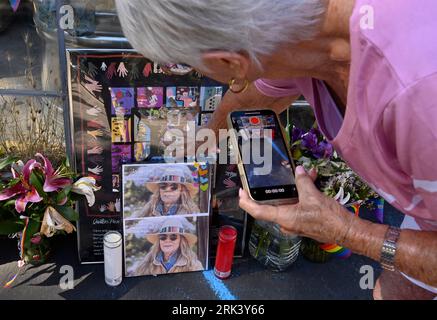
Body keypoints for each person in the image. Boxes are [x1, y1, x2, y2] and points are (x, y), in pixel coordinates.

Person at [115, 0, 437, 299]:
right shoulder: (296, 34)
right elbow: (253, 98)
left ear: (229, 62)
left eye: (191, 65)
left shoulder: (418, 96)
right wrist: (206, 137)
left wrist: (345, 230)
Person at [132, 217, 204, 276]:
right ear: (159, 241)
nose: (167, 240)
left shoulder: (194, 265)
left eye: (173, 237)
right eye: (163, 237)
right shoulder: (146, 264)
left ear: (181, 241)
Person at [132, 166, 201, 217]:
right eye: (163, 186)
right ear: (159, 190)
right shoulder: (151, 206)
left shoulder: (192, 212)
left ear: (182, 190)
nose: (167, 189)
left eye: (174, 186)